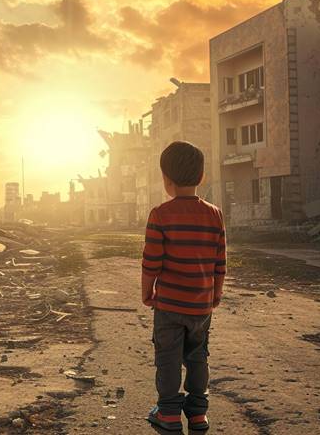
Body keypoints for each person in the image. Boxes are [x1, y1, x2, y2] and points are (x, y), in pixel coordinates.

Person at [141, 141, 226, 432]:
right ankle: (198, 414)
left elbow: (151, 261)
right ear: (201, 177)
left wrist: (146, 291)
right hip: (200, 306)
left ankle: (167, 415)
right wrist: (216, 293)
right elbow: (220, 261)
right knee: (197, 355)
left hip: (168, 306)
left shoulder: (160, 214)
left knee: (168, 358)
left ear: (166, 180)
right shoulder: (215, 214)